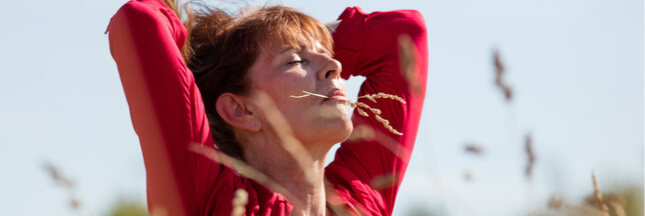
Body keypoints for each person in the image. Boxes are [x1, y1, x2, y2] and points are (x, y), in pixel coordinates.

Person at [108, 0, 427, 215]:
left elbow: (402, 34)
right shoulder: (209, 201)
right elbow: (139, 22)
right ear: (240, 110)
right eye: (295, 61)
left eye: (328, 55)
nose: (335, 66)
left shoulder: (357, 206)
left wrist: (298, 38)